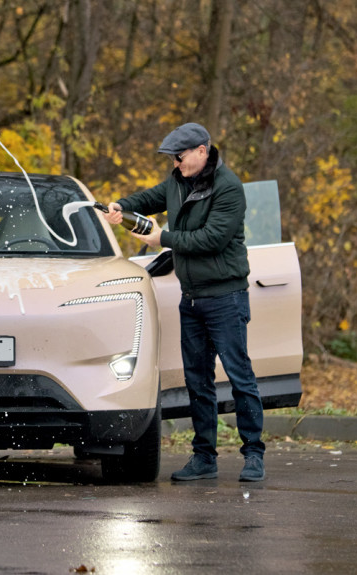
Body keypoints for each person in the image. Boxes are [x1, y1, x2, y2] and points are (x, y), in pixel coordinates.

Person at [103, 122, 265, 482]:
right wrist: (121, 206)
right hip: (191, 299)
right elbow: (150, 198)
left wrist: (162, 238)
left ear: (202, 151)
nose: (176, 164)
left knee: (240, 377)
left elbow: (211, 240)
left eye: (180, 157)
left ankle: (254, 454)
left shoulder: (229, 188)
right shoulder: (179, 181)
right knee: (198, 380)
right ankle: (204, 457)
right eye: (173, 159)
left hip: (226, 296)